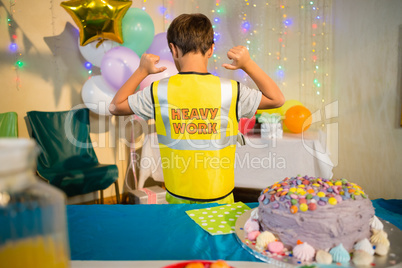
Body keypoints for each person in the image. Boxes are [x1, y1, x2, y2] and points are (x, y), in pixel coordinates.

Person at [109, 13, 284, 204]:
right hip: (220, 201)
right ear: (211, 50)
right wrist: (248, 64)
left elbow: (116, 106)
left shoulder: (159, 91)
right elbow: (276, 99)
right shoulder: (231, 91)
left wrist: (142, 70)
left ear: (173, 50)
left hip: (177, 200)